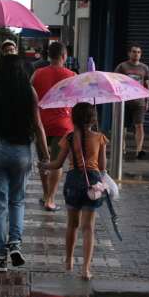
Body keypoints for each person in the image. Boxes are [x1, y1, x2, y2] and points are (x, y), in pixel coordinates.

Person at [0, 47, 49, 272]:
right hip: (22, 153)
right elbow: (38, 126)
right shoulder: (29, 92)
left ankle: (0, 257)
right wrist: (45, 155)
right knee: (17, 200)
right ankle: (15, 243)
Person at [39, 103, 108, 280]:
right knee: (88, 228)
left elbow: (57, 164)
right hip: (92, 183)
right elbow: (102, 167)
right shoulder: (100, 138)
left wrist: (44, 165)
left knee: (72, 225)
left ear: (73, 119)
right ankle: (85, 269)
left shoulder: (69, 138)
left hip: (73, 182)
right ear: (93, 119)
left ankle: (69, 261)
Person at [32, 42, 75, 211]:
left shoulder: (37, 74)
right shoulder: (71, 75)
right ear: (64, 56)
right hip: (63, 126)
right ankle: (50, 199)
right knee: (57, 163)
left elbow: (31, 98)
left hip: (40, 124)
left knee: (44, 160)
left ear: (49, 56)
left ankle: (45, 194)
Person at [115, 44, 149, 159]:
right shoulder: (122, 67)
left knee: (139, 125)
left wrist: (147, 101)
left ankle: (138, 150)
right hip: (124, 101)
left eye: (139, 52)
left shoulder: (144, 68)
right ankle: (122, 147)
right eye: (134, 52)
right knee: (123, 126)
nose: (136, 54)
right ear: (129, 53)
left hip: (139, 101)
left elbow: (146, 84)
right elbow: (115, 81)